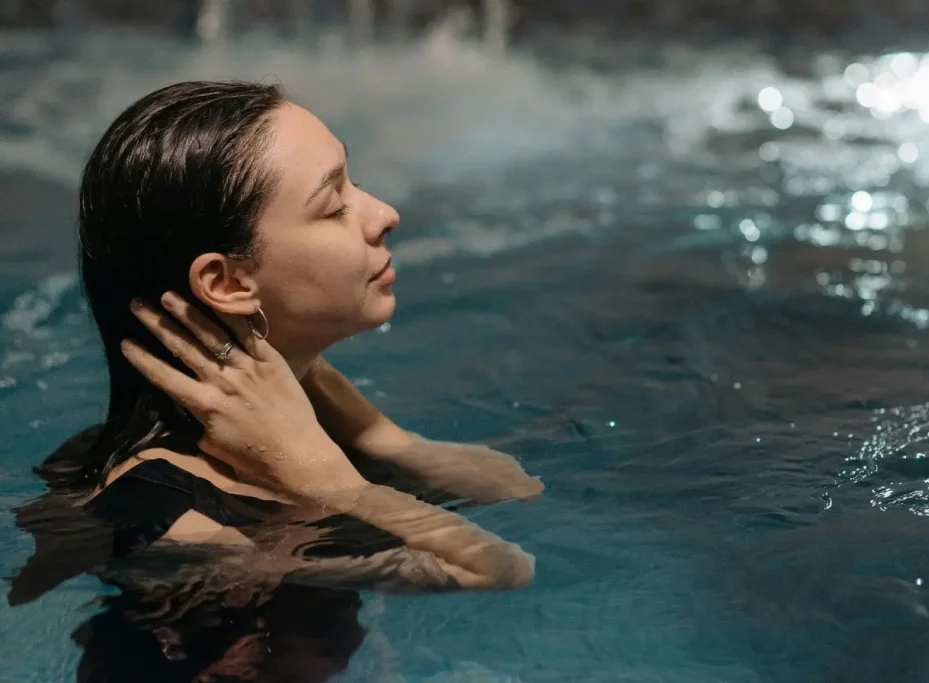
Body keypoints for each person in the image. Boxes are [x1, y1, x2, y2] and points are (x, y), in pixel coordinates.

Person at [7, 80, 543, 682]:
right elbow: (498, 568)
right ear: (229, 284)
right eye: (334, 205)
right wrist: (327, 477)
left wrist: (373, 431)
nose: (385, 214)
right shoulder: (190, 526)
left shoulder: (289, 415)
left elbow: (514, 491)